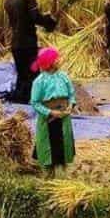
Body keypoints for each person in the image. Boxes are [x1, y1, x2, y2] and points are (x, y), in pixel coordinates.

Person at [4, 0, 58, 104]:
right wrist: (50, 20)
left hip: (16, 43)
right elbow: (35, 18)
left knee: (22, 74)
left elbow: (18, 20)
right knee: (33, 72)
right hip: (28, 43)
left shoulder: (8, 0)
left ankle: (22, 98)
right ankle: (36, 99)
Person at [29, 47, 76, 178]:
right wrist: (50, 112)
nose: (59, 60)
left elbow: (71, 94)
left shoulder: (64, 76)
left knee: (63, 142)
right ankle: (48, 174)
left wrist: (71, 105)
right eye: (56, 59)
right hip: (49, 118)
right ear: (49, 63)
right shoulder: (39, 82)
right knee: (48, 145)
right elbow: (35, 102)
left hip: (64, 116)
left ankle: (62, 172)